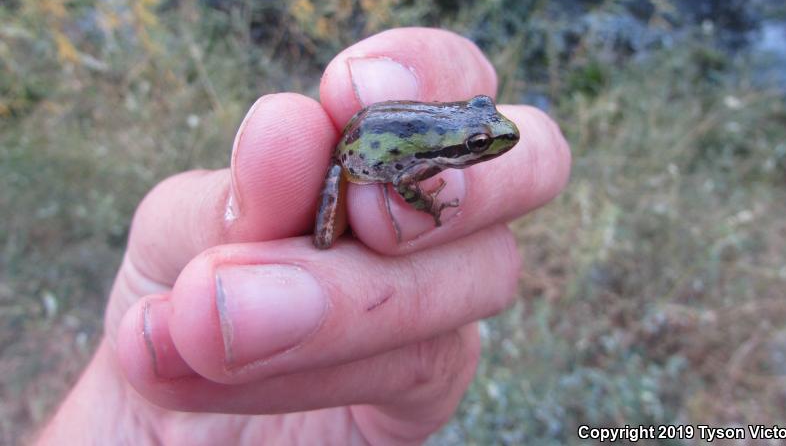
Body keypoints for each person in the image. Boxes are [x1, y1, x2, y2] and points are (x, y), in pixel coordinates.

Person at [37, 28, 571, 444]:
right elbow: (406, 183)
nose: (487, 142)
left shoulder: (439, 140)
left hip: (376, 140)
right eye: (478, 140)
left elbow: (417, 165)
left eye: (478, 137)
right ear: (460, 139)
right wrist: (430, 206)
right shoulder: (426, 155)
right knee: (324, 230)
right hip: (348, 163)